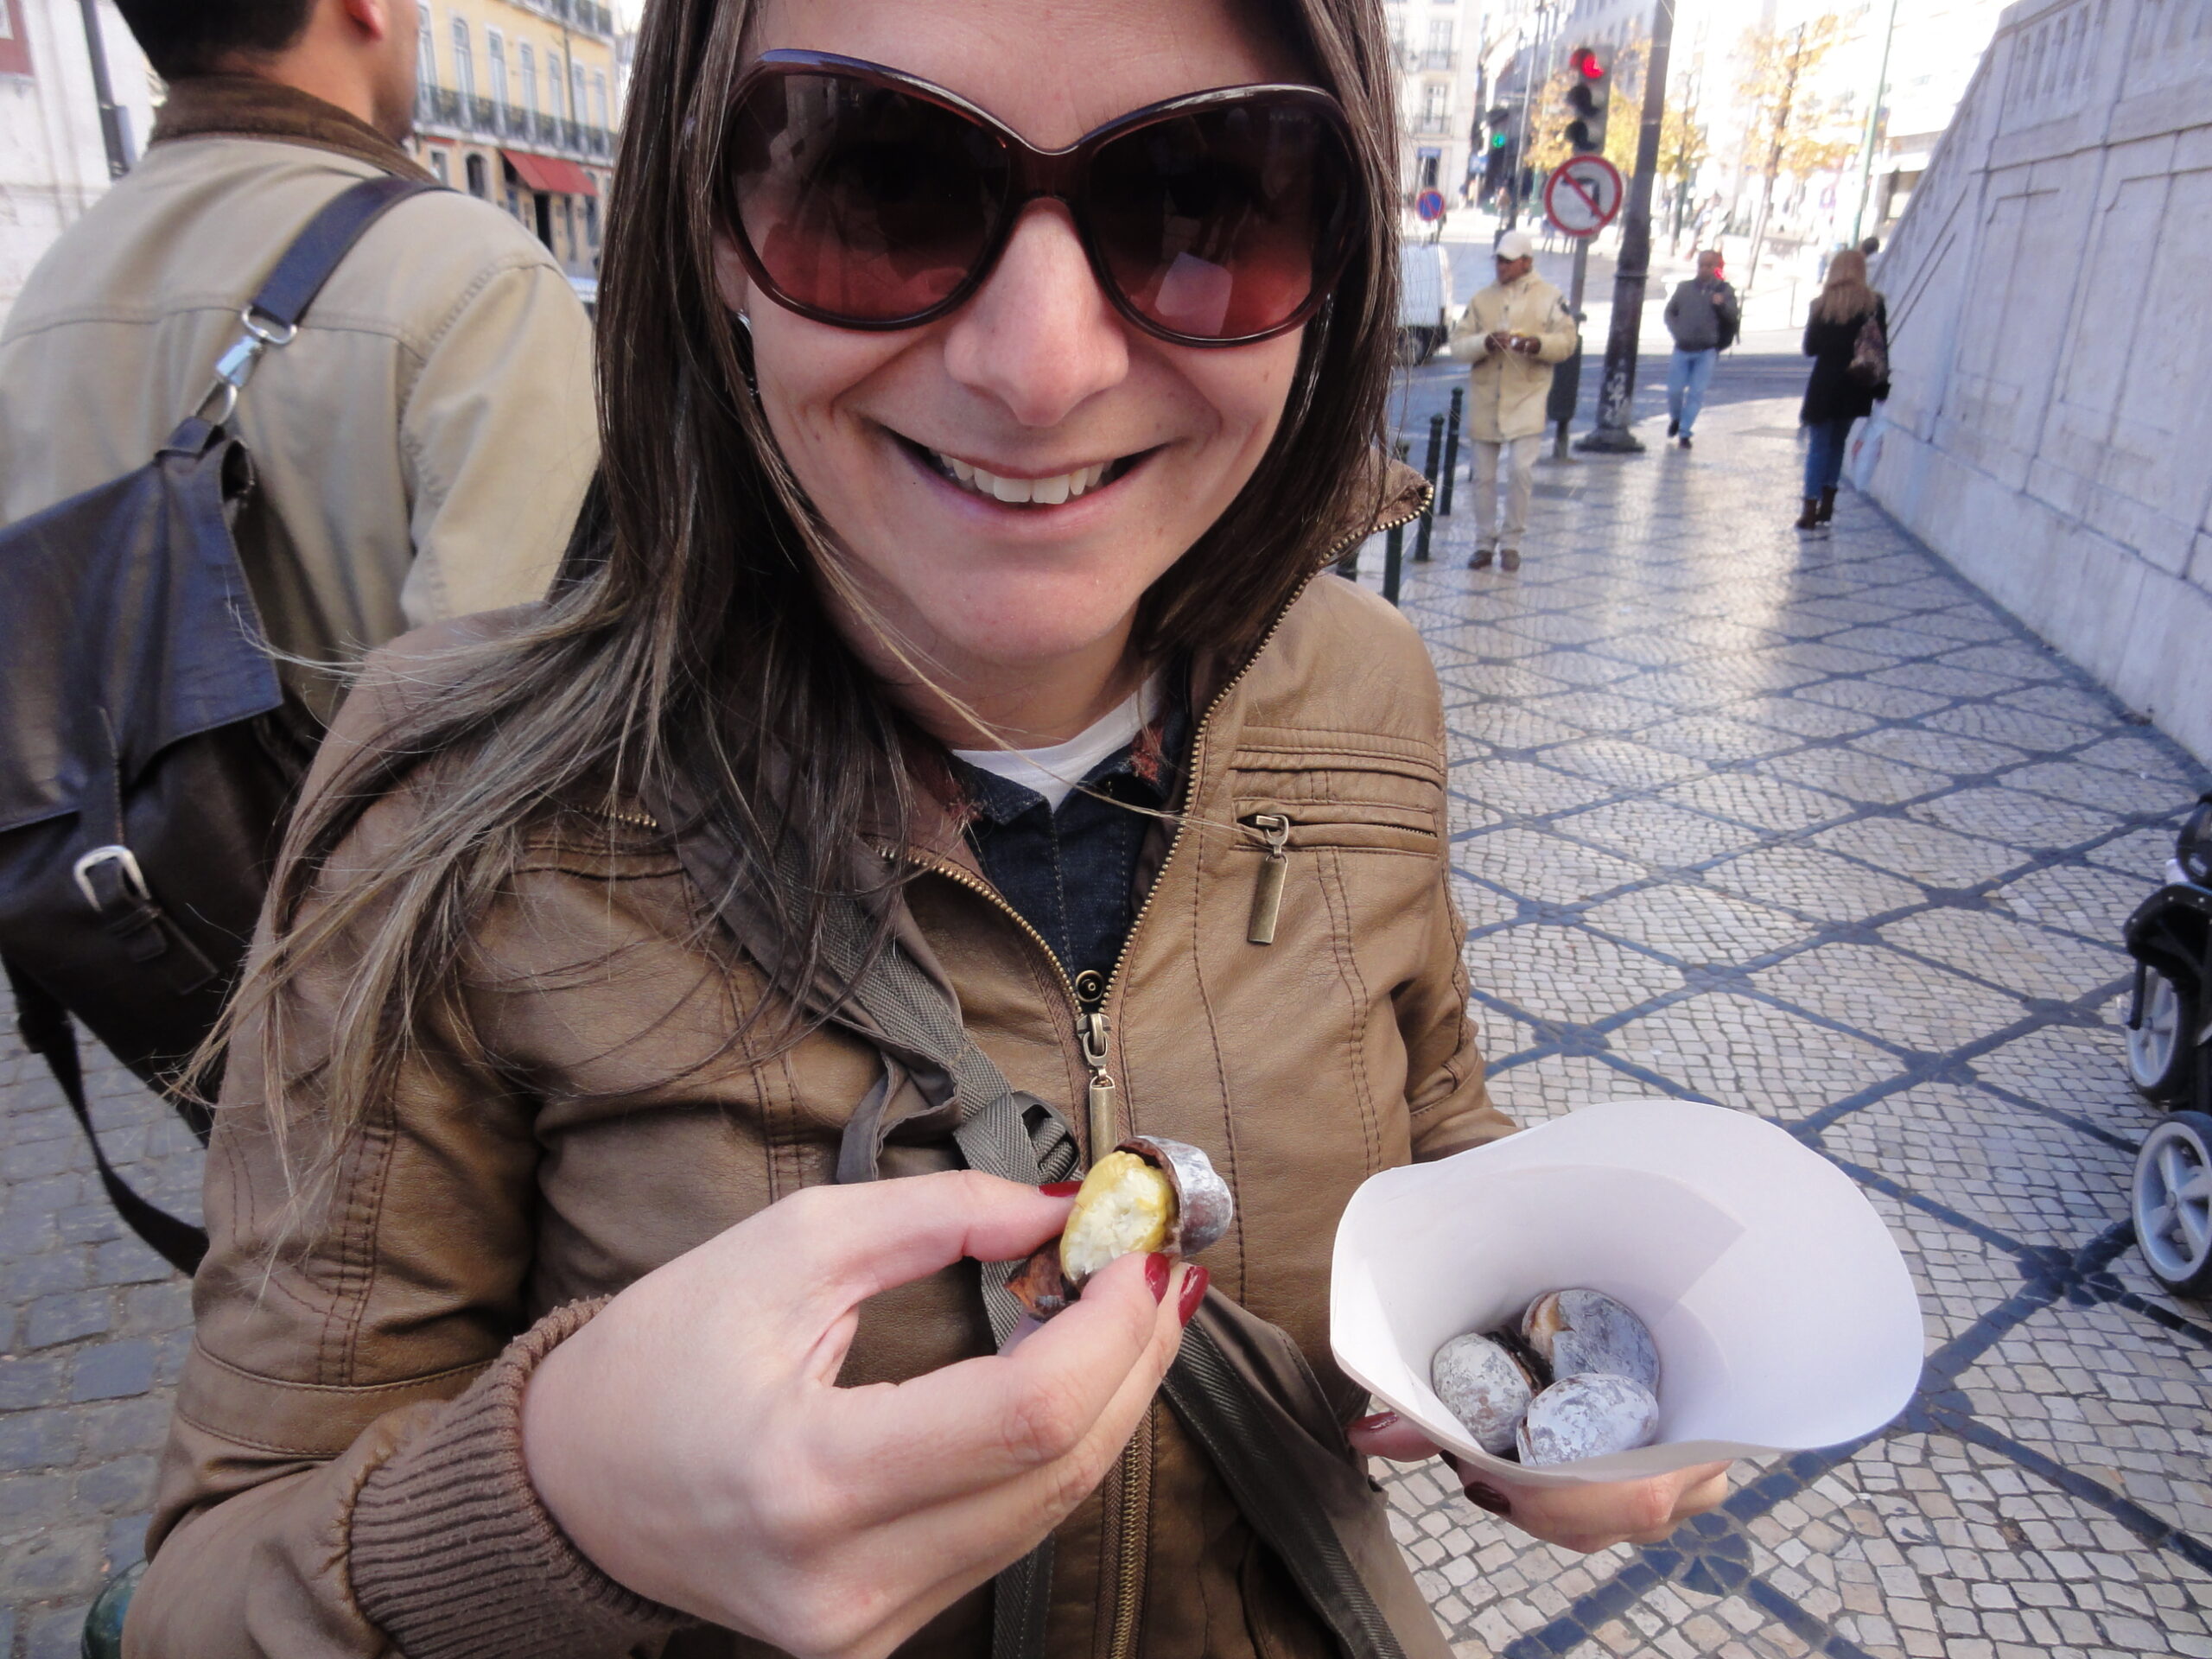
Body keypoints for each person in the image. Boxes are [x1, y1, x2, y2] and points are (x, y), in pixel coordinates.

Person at [127, 0, 1732, 1653]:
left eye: (1203, 199)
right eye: (880, 183)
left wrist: (1562, 1350)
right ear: (711, 226)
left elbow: (1432, 1118)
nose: (1040, 369)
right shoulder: (460, 790)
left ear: (1338, 243)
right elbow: (208, 1592)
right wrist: (558, 1507)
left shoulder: (1367, 686)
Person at [0, 0, 596, 720]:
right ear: (364, 9)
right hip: (369, 791)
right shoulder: (478, 278)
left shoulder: (45, 293)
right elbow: (517, 730)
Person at [1448, 228, 1576, 571]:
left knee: (1521, 470)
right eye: (1499, 261)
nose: (1501, 267)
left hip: (1528, 396)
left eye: (1508, 261)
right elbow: (1457, 345)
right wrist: (1485, 342)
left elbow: (1567, 342)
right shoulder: (1482, 299)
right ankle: (1483, 542)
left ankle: (1512, 542)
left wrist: (1536, 344)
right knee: (1483, 477)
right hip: (1487, 398)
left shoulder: (1549, 297)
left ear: (1526, 262)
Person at [1796, 248, 1887, 530]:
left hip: (1825, 383)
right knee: (1837, 445)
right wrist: (1881, 387)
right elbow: (1880, 349)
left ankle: (1809, 509)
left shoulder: (1820, 305)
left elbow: (1810, 348)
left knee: (1818, 447)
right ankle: (1827, 506)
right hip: (1855, 384)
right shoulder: (1874, 304)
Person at [1662, 248, 1738, 449]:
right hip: (1682, 347)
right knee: (1674, 390)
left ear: (1716, 267)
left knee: (1696, 393)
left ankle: (1685, 432)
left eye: (1709, 265)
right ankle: (1676, 418)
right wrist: (1677, 331)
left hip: (1707, 350)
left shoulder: (1724, 290)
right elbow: (1670, 312)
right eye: (1701, 265)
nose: (1704, 269)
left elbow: (1732, 317)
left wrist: (1721, 305)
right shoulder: (1684, 288)